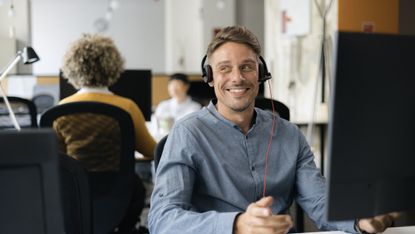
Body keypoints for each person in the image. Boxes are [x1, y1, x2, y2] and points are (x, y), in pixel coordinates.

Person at [148, 26, 395, 234]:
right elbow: (162, 219)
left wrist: (358, 220)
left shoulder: (289, 134)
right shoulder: (187, 134)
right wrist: (236, 225)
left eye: (246, 67)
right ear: (210, 77)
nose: (237, 78)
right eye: (225, 68)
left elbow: (319, 201)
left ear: (261, 73)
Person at [59, 33, 156, 233]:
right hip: (121, 195)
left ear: (72, 69)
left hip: (74, 195)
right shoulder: (126, 106)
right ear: (112, 66)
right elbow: (151, 150)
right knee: (138, 185)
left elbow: (56, 159)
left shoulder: (60, 110)